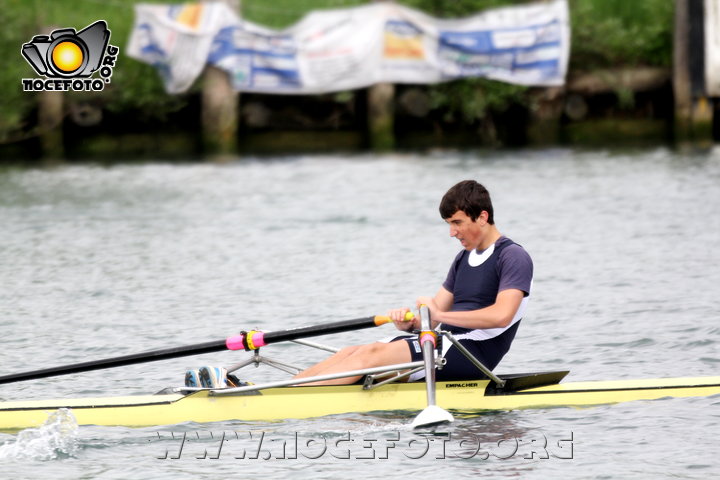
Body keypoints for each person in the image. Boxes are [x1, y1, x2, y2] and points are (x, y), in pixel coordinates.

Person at [292, 180, 533, 385]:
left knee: (373, 355)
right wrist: (410, 324)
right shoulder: (463, 258)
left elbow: (501, 316)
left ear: (482, 217)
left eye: (457, 223)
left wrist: (438, 315)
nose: (452, 232)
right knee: (352, 352)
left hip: (473, 353)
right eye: (449, 224)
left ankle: (289, 401)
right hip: (445, 342)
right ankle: (283, 391)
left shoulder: (512, 256)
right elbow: (434, 317)